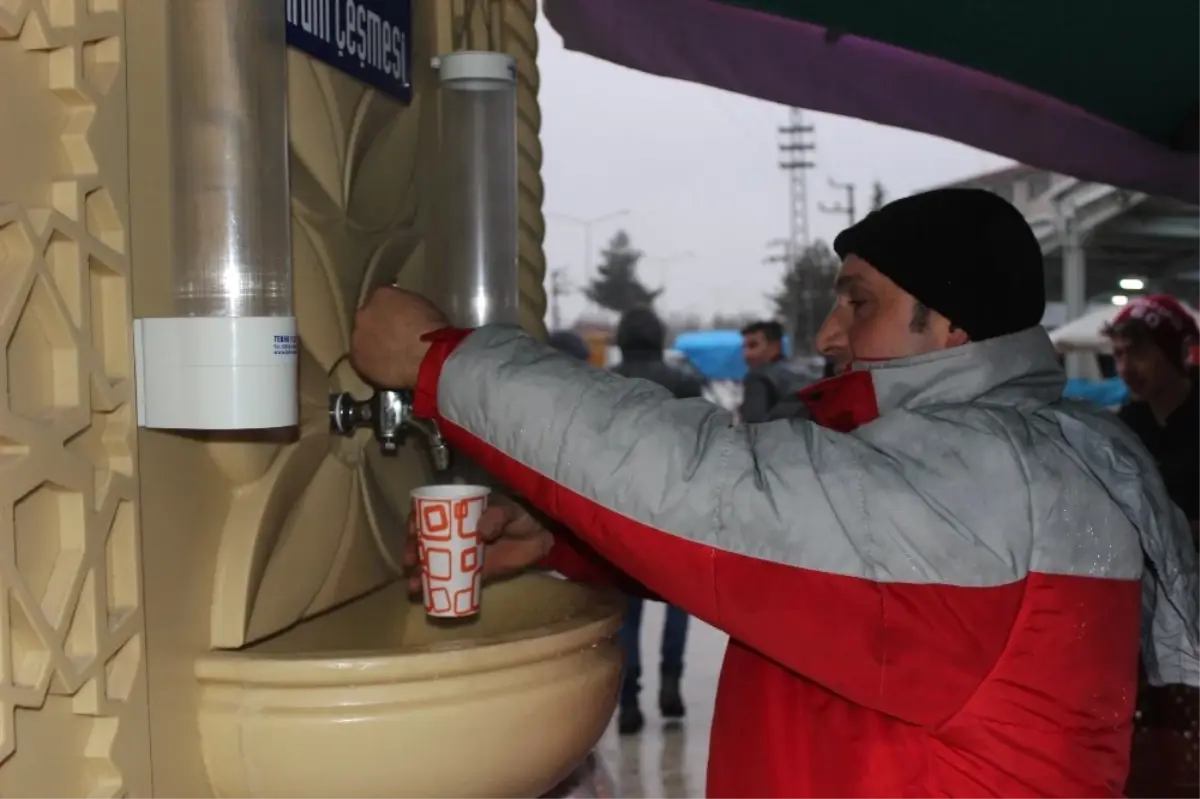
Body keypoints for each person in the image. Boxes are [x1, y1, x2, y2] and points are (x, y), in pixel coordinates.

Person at [352, 188, 1200, 798]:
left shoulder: (987, 479)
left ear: (951, 327)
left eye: (858, 302)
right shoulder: (1055, 456)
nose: (829, 333)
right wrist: (556, 539)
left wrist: (444, 361)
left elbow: (710, 485)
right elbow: (809, 571)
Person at [1104, 294, 1200, 798]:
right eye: (1118, 355)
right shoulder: (1128, 425)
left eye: (1138, 353)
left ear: (1174, 352)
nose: (1127, 368)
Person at [610, 307, 705, 735]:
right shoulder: (683, 382)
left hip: (619, 507)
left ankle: (629, 701)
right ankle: (671, 682)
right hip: (672, 508)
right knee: (679, 604)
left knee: (627, 612)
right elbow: (700, 442)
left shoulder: (605, 383)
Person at [738, 320, 802, 422]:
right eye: (744, 347)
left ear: (774, 347)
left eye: (753, 346)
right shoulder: (801, 374)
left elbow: (753, 428)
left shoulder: (759, 378)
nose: (746, 354)